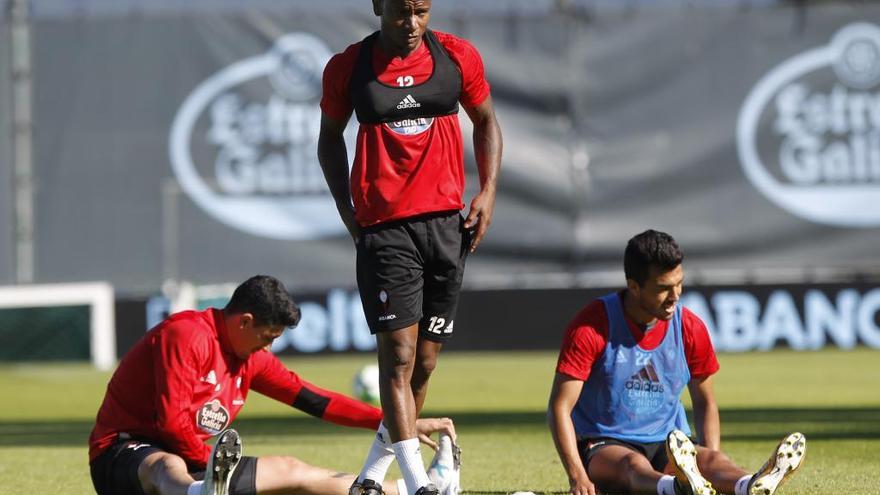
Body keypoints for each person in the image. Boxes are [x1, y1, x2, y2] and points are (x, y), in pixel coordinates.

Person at [317, 0, 502, 494]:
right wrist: (349, 212)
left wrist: (486, 190)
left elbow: (485, 121)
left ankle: (371, 479)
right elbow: (329, 140)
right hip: (386, 231)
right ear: (378, 6)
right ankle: (419, 485)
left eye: (421, 10)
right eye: (401, 11)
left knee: (423, 363)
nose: (412, 23)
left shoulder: (457, 56)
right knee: (397, 357)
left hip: (447, 228)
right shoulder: (348, 68)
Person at [88, 275, 458, 495]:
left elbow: (316, 401)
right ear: (244, 321)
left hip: (199, 464)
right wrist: (212, 466)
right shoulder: (187, 336)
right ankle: (199, 492)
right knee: (164, 464)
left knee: (294, 472)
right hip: (120, 456)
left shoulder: (250, 357)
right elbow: (171, 425)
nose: (270, 346)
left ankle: (416, 487)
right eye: (268, 336)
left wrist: (394, 422)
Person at [547, 230, 806, 495]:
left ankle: (748, 485)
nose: (675, 296)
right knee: (632, 465)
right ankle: (679, 487)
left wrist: (709, 462)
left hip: (670, 442)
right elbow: (560, 407)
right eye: (663, 288)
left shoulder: (690, 327)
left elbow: (705, 401)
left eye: (679, 284)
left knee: (714, 461)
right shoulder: (592, 325)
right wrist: (577, 476)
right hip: (605, 443)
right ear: (633, 286)